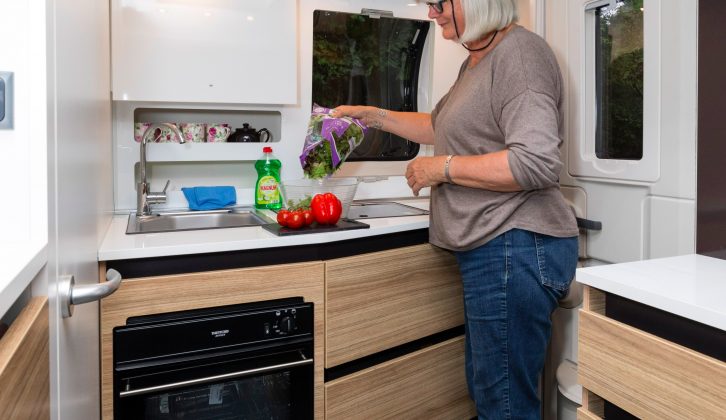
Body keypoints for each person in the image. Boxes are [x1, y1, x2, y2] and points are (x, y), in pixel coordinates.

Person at [331, 0, 579, 418]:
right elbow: (441, 123)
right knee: (494, 390)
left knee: (503, 402)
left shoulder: (519, 55)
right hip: (499, 247)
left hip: (515, 245)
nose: (431, 13)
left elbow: (534, 162)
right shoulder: (478, 60)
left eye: (438, 3)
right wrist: (371, 116)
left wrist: (440, 168)